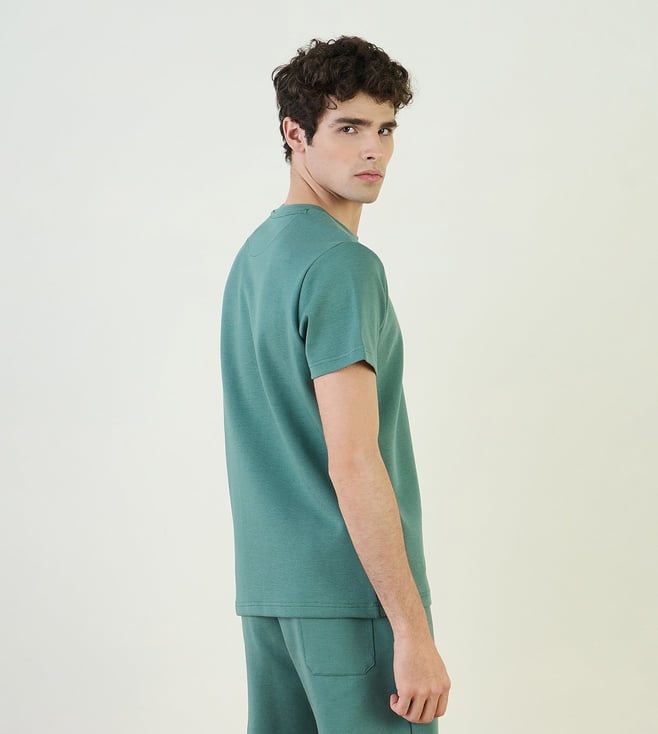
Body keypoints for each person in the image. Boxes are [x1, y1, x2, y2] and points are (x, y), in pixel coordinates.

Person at [220, 36, 451, 733]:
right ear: (294, 133)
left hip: (270, 599)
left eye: (385, 128)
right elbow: (353, 459)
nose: (373, 149)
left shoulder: (256, 257)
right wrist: (411, 629)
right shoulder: (342, 265)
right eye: (348, 128)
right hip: (353, 602)